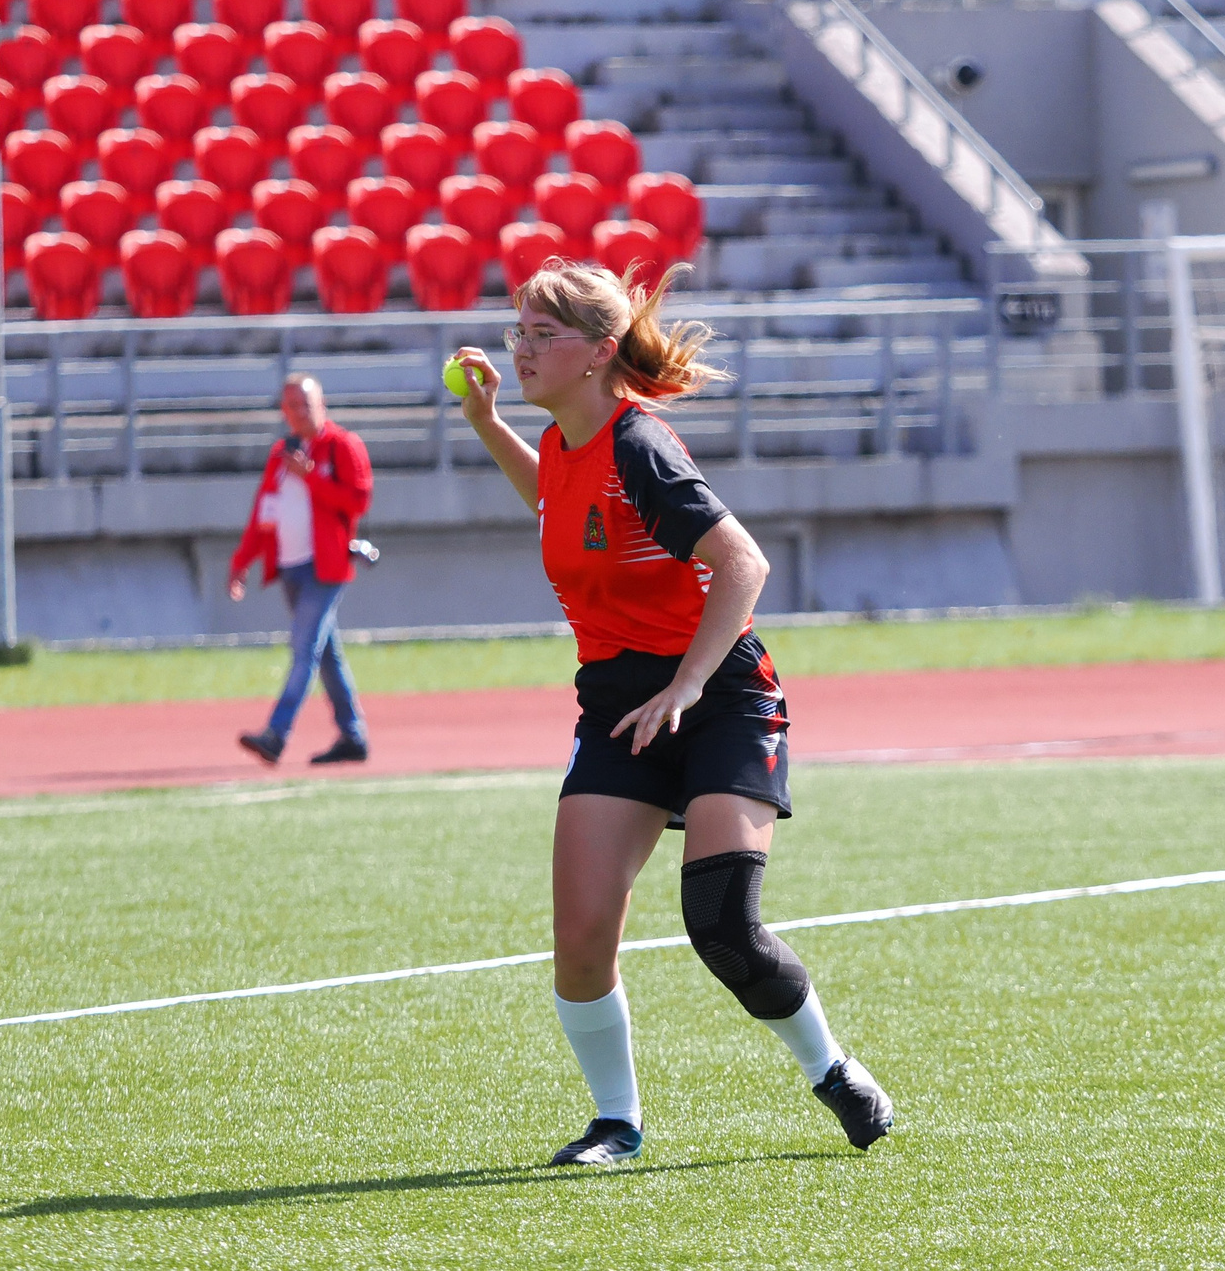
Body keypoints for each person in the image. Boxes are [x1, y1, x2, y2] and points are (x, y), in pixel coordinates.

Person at [448, 258, 892, 1168]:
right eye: (516, 332)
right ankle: (616, 1123)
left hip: (719, 695)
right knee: (579, 940)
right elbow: (561, 504)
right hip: (617, 703)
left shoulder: (638, 443)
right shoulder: (573, 442)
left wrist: (687, 687)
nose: (521, 348)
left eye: (543, 335)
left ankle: (833, 1070)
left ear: (598, 352)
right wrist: (489, 424)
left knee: (722, 921)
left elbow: (744, 565)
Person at [231, 374, 375, 767]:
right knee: (326, 654)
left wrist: (310, 477)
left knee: (303, 649)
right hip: (291, 568)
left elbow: (358, 499)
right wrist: (242, 561)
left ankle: (276, 735)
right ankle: (353, 735)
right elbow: (265, 512)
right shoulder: (282, 453)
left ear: (321, 405)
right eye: (291, 406)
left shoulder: (342, 445)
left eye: (305, 404)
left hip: (324, 567)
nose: (298, 412)